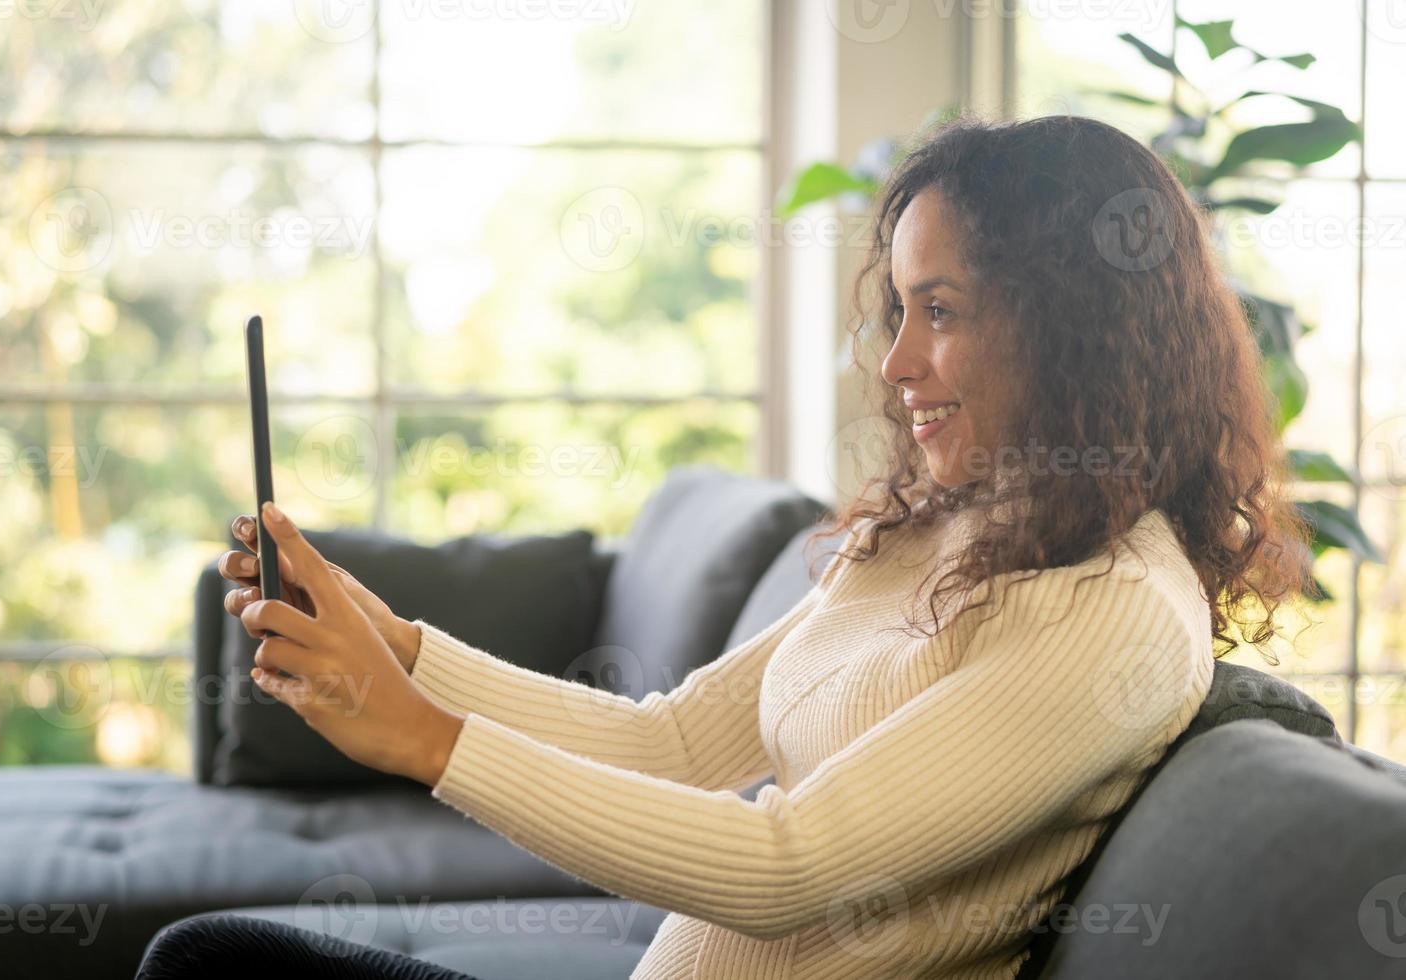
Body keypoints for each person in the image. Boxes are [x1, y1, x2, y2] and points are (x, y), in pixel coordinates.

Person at [140, 114, 1311, 979]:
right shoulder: (946, 532)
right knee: (207, 955)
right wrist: (390, 639)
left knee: (210, 968)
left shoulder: (1114, 618)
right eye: (897, 309)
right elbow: (676, 740)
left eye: (940, 310)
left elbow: (789, 861)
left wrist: (419, 737)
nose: (897, 364)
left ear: (1073, 323)